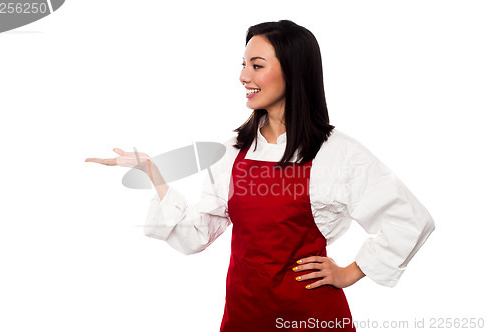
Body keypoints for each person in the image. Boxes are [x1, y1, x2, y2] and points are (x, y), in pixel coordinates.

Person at [85, 20, 435, 332]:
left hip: (312, 318)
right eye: (243, 65)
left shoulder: (337, 153)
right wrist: (154, 173)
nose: (243, 76)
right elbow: (196, 236)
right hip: (245, 316)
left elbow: (409, 220)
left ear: (293, 71)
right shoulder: (233, 153)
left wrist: (350, 272)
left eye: (257, 65)